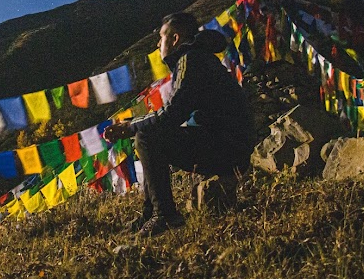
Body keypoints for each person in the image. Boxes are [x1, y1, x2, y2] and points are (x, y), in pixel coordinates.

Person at [104, 12, 255, 237]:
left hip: (228, 148)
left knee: (147, 136)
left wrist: (130, 127)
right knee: (149, 133)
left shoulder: (191, 60)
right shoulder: (195, 59)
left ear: (175, 38)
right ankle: (150, 213)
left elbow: (171, 114)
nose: (157, 44)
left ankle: (164, 216)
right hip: (228, 143)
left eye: (161, 37)